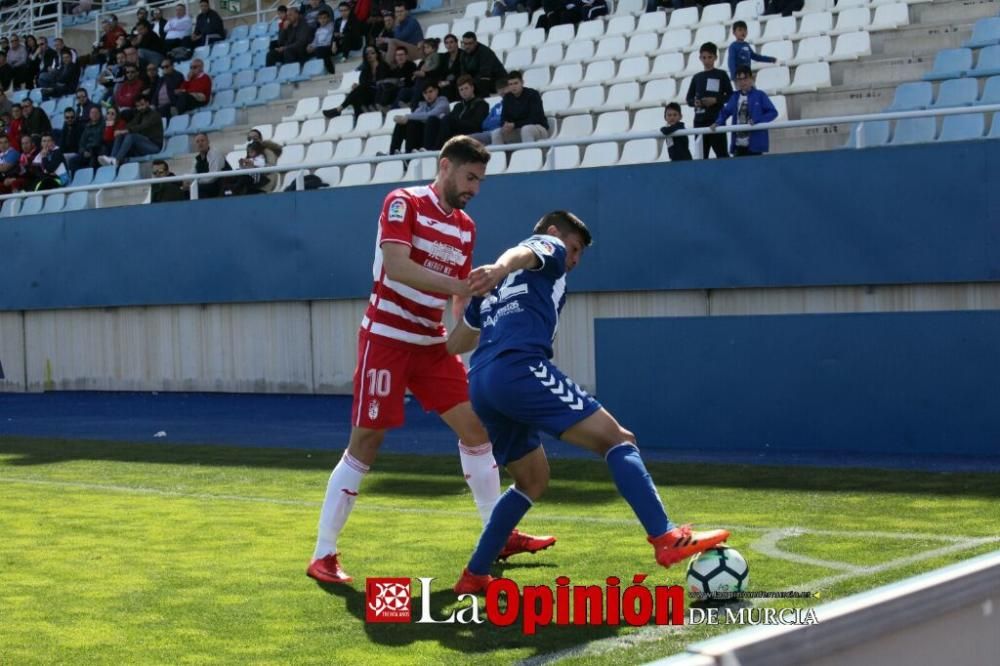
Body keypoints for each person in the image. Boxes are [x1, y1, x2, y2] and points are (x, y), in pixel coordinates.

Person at [306, 136, 556, 585]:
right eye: (470, 177)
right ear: (445, 166)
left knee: (478, 429)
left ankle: (496, 535)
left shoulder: (465, 227)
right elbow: (398, 266)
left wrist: (475, 318)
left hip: (431, 344)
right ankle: (323, 553)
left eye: (480, 180)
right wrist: (459, 288)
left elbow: (459, 297)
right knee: (366, 442)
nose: (475, 188)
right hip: (386, 338)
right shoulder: (402, 203)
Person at [448, 211, 731, 593]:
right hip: (519, 369)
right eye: (575, 247)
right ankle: (665, 538)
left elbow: (458, 343)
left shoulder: (495, 288)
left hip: (482, 383)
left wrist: (462, 303)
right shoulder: (545, 247)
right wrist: (499, 267)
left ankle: (475, 574)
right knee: (618, 440)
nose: (575, 258)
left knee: (532, 480)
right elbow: (523, 252)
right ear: (555, 234)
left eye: (578, 252)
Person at [712, 66, 779, 157]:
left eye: (745, 78)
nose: (742, 82)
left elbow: (773, 112)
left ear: (751, 79)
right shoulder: (735, 97)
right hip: (738, 145)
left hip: (755, 145)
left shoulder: (760, 95)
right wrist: (718, 122)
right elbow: (725, 112)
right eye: (739, 79)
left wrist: (758, 120)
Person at [686, 41, 732, 159]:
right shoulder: (697, 77)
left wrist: (716, 100)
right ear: (700, 58)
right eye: (704, 57)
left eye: (710, 57)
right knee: (701, 156)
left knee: (722, 154)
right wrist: (695, 102)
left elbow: (730, 95)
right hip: (699, 121)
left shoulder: (721, 74)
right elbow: (689, 99)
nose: (706, 60)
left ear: (715, 57)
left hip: (716, 120)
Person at [322, 46, 390, 118]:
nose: (369, 55)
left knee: (359, 90)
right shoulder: (365, 69)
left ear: (376, 54)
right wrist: (358, 86)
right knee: (357, 93)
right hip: (368, 95)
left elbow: (382, 82)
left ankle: (339, 110)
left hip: (380, 93)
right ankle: (357, 118)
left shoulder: (383, 66)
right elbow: (363, 82)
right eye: (367, 54)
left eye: (372, 53)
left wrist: (361, 86)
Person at [100, 95, 163, 166]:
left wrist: (125, 131)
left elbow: (142, 126)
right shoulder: (140, 114)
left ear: (148, 103)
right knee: (121, 135)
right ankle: (112, 158)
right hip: (142, 146)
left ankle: (117, 160)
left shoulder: (154, 115)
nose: (140, 108)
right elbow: (130, 125)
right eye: (138, 106)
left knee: (131, 136)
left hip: (154, 146)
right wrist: (121, 130)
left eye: (142, 105)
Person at [388, 81, 450, 153]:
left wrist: (407, 117)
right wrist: (403, 119)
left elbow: (430, 115)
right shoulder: (423, 106)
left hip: (437, 138)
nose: (428, 95)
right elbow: (414, 117)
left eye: (430, 91)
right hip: (423, 137)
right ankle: (394, 152)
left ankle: (420, 152)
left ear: (436, 91)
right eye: (425, 93)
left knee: (431, 120)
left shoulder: (443, 101)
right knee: (405, 123)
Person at [491, 71, 549, 145]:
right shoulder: (507, 98)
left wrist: (514, 124)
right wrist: (505, 125)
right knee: (496, 133)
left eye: (516, 83)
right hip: (518, 130)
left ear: (522, 83)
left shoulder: (533, 94)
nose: (513, 86)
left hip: (538, 129)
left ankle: (530, 155)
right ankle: (499, 156)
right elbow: (504, 118)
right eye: (510, 84)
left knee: (526, 129)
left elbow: (534, 119)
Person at [434, 75, 489, 149]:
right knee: (433, 120)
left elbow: (477, 124)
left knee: (447, 119)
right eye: (461, 89)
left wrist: (456, 121)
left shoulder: (481, 104)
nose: (464, 92)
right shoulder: (458, 105)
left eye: (466, 88)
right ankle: (429, 149)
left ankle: (437, 149)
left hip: (472, 130)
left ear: (472, 88)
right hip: (456, 130)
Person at [459, 32, 506, 98]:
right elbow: (463, 73)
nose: (467, 46)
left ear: (475, 42)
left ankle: (482, 104)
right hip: (477, 79)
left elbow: (485, 73)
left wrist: (470, 82)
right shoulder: (463, 54)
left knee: (481, 82)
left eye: (470, 43)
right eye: (465, 44)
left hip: (497, 80)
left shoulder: (485, 52)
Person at [183, 132, 229, 198]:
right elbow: (193, 174)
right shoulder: (197, 159)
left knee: (198, 189)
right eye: (197, 141)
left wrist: (196, 182)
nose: (200, 143)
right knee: (185, 190)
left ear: (208, 142)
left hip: (218, 186)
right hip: (205, 185)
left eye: (202, 140)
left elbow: (213, 176)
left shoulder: (215, 154)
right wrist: (188, 182)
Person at [71, 106, 105, 171]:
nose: (94, 114)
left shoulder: (103, 125)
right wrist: (83, 152)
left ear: (100, 114)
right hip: (86, 152)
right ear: (89, 115)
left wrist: (90, 151)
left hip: (97, 151)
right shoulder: (87, 127)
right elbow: (81, 143)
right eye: (92, 113)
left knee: (93, 159)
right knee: (72, 161)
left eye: (96, 113)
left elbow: (100, 140)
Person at [306, 8, 336, 73]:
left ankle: (331, 72)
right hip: (320, 47)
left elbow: (328, 41)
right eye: (320, 18)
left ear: (328, 18)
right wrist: (311, 46)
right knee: (305, 50)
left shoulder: (332, 26)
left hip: (330, 47)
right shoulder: (318, 30)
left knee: (320, 50)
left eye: (324, 18)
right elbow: (315, 41)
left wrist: (315, 47)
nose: (322, 20)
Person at [435, 34, 462, 101]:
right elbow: (440, 72)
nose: (449, 45)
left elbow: (462, 72)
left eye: (451, 42)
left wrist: (449, 82)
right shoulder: (444, 57)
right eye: (446, 43)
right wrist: (440, 81)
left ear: (456, 43)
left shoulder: (463, 55)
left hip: (457, 82)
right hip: (444, 83)